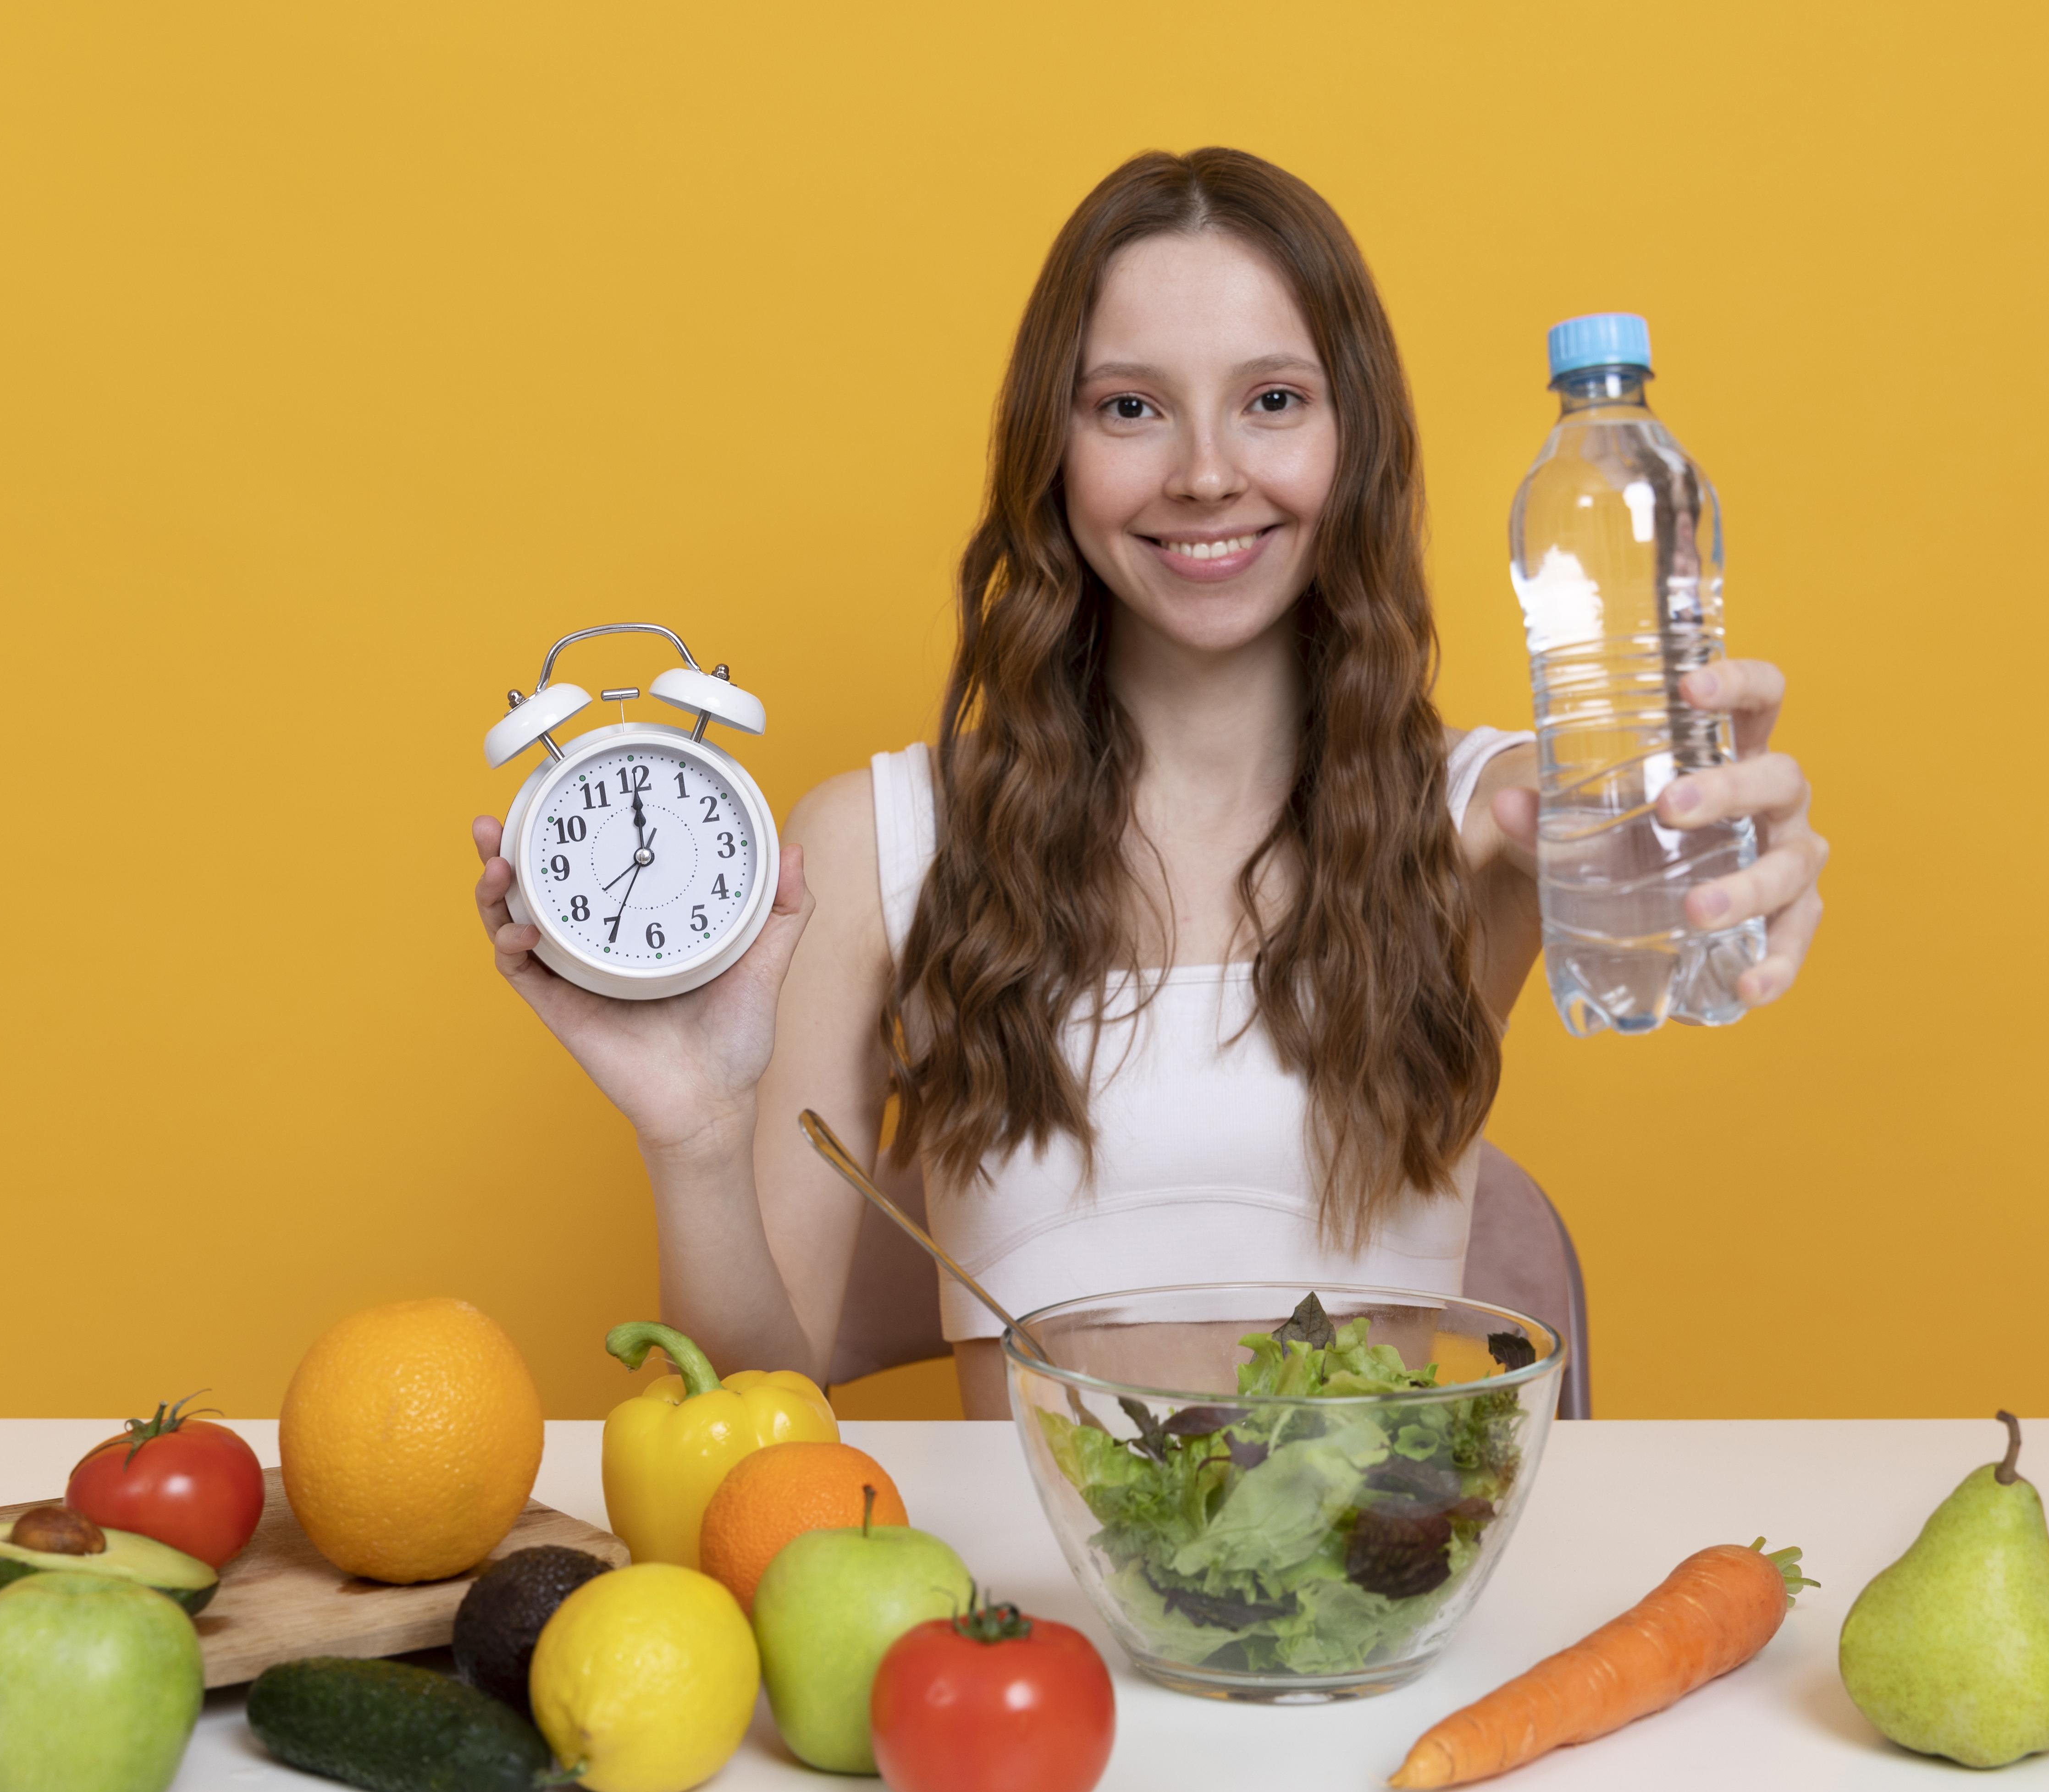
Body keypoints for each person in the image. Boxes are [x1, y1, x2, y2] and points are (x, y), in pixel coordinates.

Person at [471, 149, 1828, 1417]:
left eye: (1272, 401)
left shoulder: (1480, 825)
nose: (1203, 473)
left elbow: (1652, 842)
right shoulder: (874, 847)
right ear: (1050, 454)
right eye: (1130, 407)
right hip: (1023, 1640)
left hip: (1370, 1624)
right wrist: (697, 1131)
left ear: (1352, 441)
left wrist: (1725, 855)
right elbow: (744, 1413)